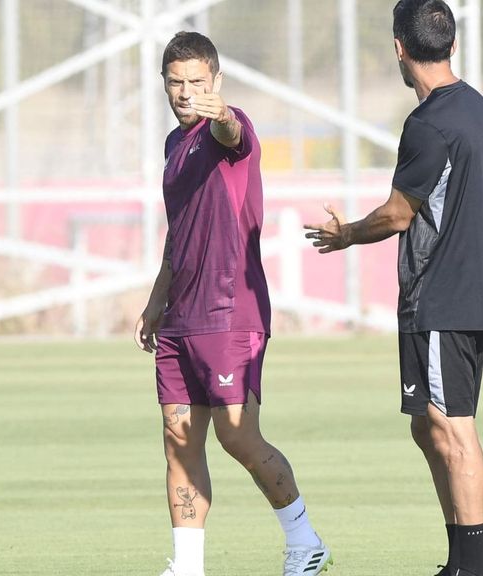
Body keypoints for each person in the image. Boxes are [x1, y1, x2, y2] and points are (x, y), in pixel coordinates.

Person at [304, 2, 483, 575]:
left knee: (453, 426)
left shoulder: (428, 125)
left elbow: (398, 214)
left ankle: (475, 567)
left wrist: (345, 234)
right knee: (427, 424)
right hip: (465, 291)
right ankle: (458, 561)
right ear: (450, 43)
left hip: (439, 296)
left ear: (400, 47)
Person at [135, 31, 332, 576]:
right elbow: (179, 234)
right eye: (175, 83)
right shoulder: (174, 146)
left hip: (230, 310)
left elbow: (233, 130)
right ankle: (189, 567)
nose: (185, 92)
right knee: (178, 437)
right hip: (182, 315)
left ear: (215, 82)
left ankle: (304, 540)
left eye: (196, 82)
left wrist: (221, 112)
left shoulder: (230, 130)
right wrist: (157, 301)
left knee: (236, 434)